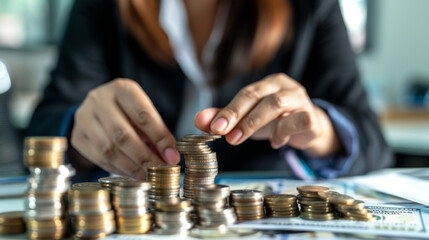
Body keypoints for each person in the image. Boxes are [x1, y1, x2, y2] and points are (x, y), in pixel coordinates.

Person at [28, 0, 393, 181]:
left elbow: (374, 145)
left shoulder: (311, 5)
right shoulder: (103, 6)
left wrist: (319, 130)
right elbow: (43, 126)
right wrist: (80, 128)